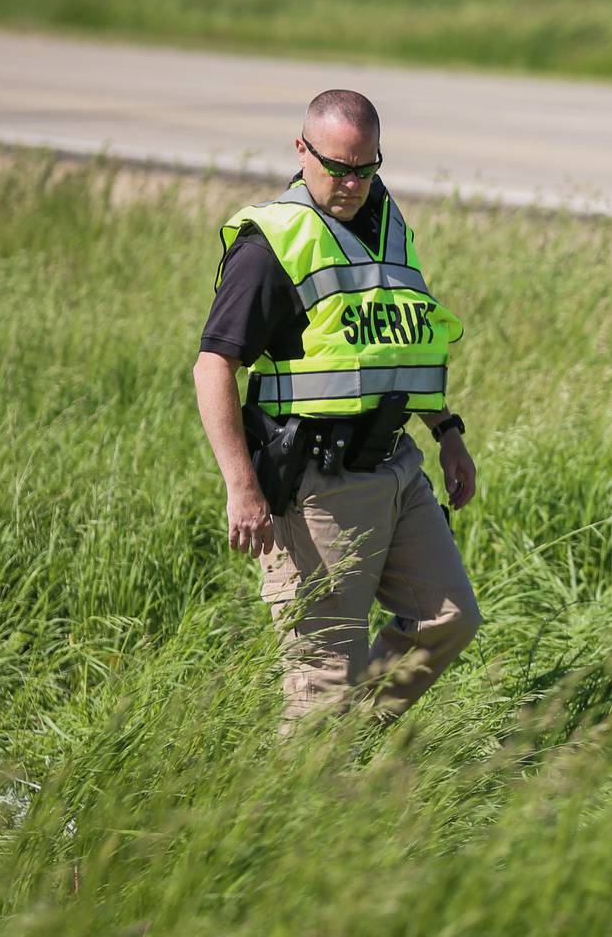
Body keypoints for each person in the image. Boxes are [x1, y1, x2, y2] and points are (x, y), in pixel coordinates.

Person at [192, 89, 481, 733]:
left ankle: (348, 754)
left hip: (397, 468)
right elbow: (213, 367)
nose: (351, 183)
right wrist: (241, 487)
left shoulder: (389, 223)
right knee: (323, 682)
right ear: (301, 150)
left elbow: (402, 344)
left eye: (365, 167)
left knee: (448, 619)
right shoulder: (273, 243)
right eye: (336, 167)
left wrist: (447, 432)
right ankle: (307, 804)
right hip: (315, 486)